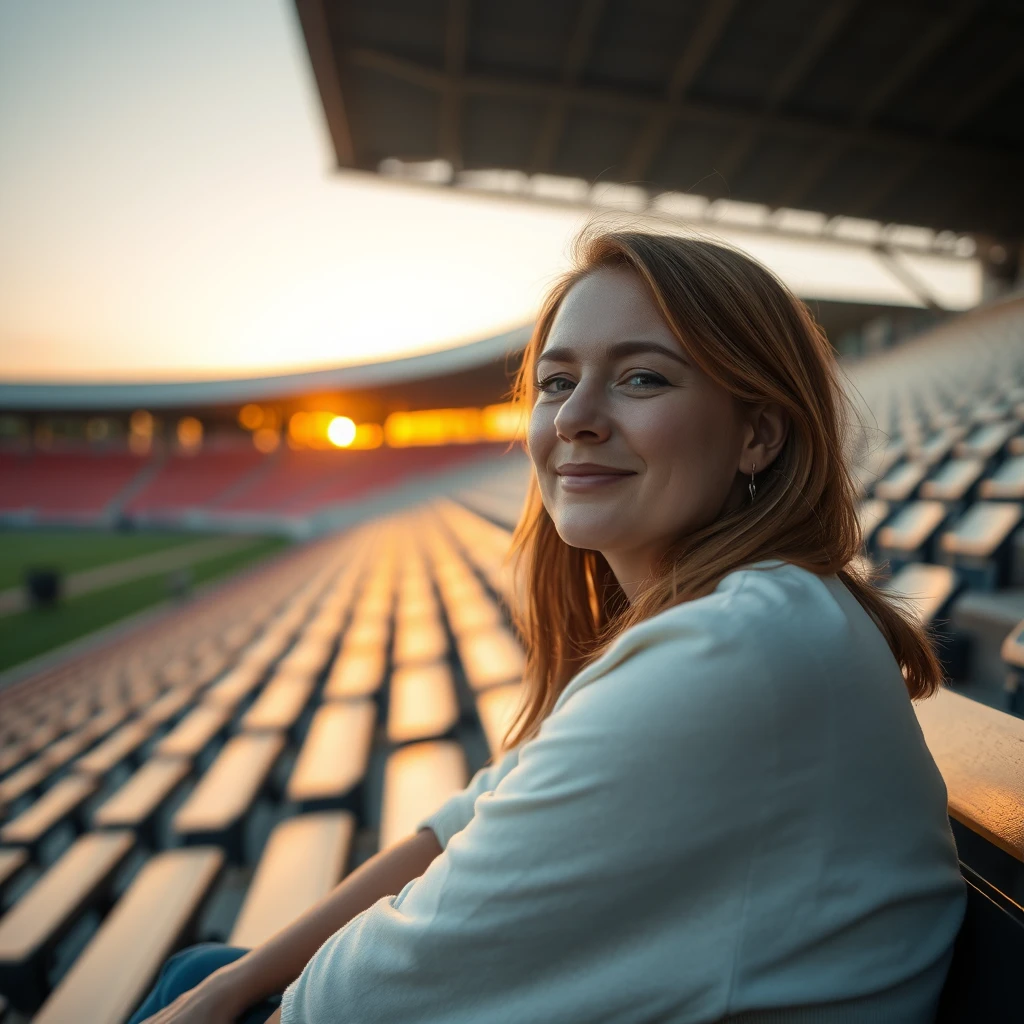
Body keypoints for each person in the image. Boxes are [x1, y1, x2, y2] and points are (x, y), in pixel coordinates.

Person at [133, 230, 966, 1024]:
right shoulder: (751, 619)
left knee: (193, 978)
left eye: (642, 378)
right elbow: (456, 825)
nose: (574, 419)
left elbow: (360, 1002)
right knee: (203, 976)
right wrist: (234, 986)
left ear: (758, 433)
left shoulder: (731, 652)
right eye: (557, 382)